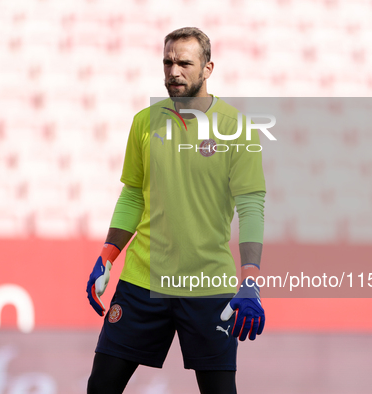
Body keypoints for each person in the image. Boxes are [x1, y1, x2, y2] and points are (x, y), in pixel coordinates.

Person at [86, 27, 266, 394]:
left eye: (184, 62)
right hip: (142, 280)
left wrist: (250, 278)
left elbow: (251, 206)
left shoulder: (237, 128)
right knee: (100, 388)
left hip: (207, 283)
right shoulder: (144, 122)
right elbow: (133, 194)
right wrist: (107, 256)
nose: (174, 71)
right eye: (167, 62)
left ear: (208, 68)